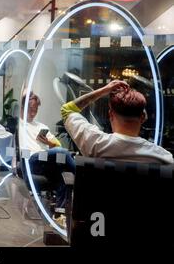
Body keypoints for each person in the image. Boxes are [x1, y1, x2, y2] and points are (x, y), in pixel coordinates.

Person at [61, 80, 173, 164]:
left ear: (110, 114)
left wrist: (104, 90)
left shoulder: (96, 145)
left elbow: (67, 110)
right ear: (143, 117)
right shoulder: (164, 158)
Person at [19, 92, 76, 220]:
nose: (33, 113)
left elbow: (58, 145)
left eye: (35, 110)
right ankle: (85, 180)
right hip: (31, 160)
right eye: (30, 109)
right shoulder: (20, 125)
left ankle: (60, 215)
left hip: (46, 161)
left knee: (64, 176)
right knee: (62, 152)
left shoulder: (41, 127)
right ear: (23, 108)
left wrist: (47, 142)